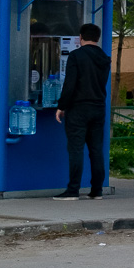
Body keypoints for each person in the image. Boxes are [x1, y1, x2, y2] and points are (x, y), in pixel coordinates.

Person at [53, 24, 110, 200]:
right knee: (96, 150)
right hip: (98, 107)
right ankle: (97, 190)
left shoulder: (76, 56)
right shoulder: (104, 58)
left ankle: (73, 190)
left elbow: (70, 83)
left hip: (78, 108)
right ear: (98, 38)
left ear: (80, 38)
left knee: (76, 149)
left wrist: (62, 106)